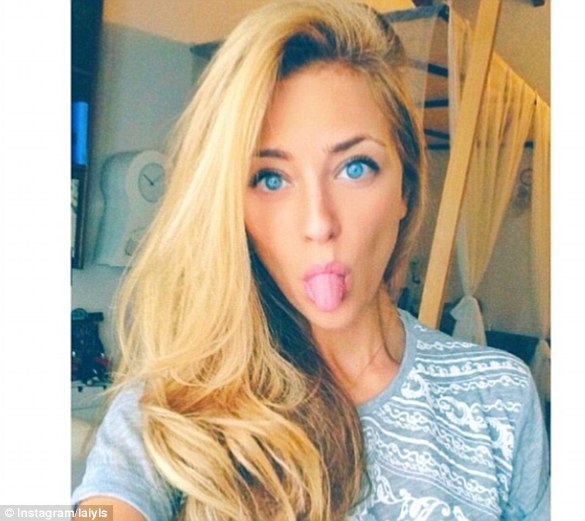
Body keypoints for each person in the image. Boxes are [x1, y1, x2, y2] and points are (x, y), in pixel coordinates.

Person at [73, 1, 550, 519]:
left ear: (406, 189)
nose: (319, 223)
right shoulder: (174, 402)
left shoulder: (499, 397)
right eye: (270, 178)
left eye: (355, 167)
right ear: (233, 207)